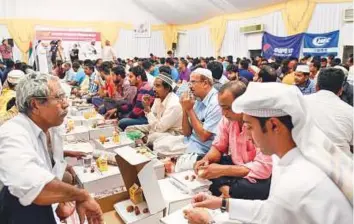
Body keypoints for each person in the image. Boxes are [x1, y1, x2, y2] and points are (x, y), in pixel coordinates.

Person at [184, 82, 352, 224]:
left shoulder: (301, 180)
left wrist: (209, 221)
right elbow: (273, 210)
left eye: (249, 127)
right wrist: (222, 204)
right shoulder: (287, 159)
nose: (247, 135)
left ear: (273, 125)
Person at [0, 72, 103, 223]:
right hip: (19, 206)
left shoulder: (51, 126)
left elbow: (47, 163)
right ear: (35, 105)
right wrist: (81, 195)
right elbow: (32, 185)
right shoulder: (11, 133)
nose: (66, 103)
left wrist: (56, 203)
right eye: (59, 98)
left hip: (38, 201)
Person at [194, 81, 272, 199]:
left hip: (254, 174)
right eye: (221, 108)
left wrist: (222, 171)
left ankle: (224, 188)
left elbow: (262, 168)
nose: (223, 113)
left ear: (243, 103)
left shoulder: (260, 123)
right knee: (202, 161)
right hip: (237, 167)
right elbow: (218, 146)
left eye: (227, 108)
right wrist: (206, 160)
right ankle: (228, 191)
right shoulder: (227, 119)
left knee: (261, 187)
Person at [305, 68, 353, 155]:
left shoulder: (300, 102)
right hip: (339, 164)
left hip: (303, 159)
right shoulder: (350, 111)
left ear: (316, 87)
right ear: (340, 90)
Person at [126, 72, 182, 144]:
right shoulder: (158, 98)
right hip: (157, 127)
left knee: (153, 137)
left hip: (172, 132)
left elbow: (159, 129)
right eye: (154, 85)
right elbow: (153, 122)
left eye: (158, 86)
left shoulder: (174, 104)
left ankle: (145, 140)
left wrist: (148, 110)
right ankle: (144, 139)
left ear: (167, 88)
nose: (154, 89)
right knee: (129, 128)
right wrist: (146, 108)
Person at [181, 68, 222, 155]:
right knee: (159, 142)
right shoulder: (198, 99)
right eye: (189, 83)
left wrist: (189, 109)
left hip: (202, 149)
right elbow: (186, 133)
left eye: (193, 82)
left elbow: (203, 137)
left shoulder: (216, 103)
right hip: (190, 141)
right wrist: (185, 108)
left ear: (205, 83)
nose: (190, 86)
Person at [117, 66, 154, 130]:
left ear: (138, 77)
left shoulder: (145, 89)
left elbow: (135, 112)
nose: (128, 79)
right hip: (141, 116)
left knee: (122, 122)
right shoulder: (142, 87)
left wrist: (124, 118)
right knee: (120, 113)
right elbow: (131, 105)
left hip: (146, 118)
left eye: (131, 77)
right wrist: (118, 109)